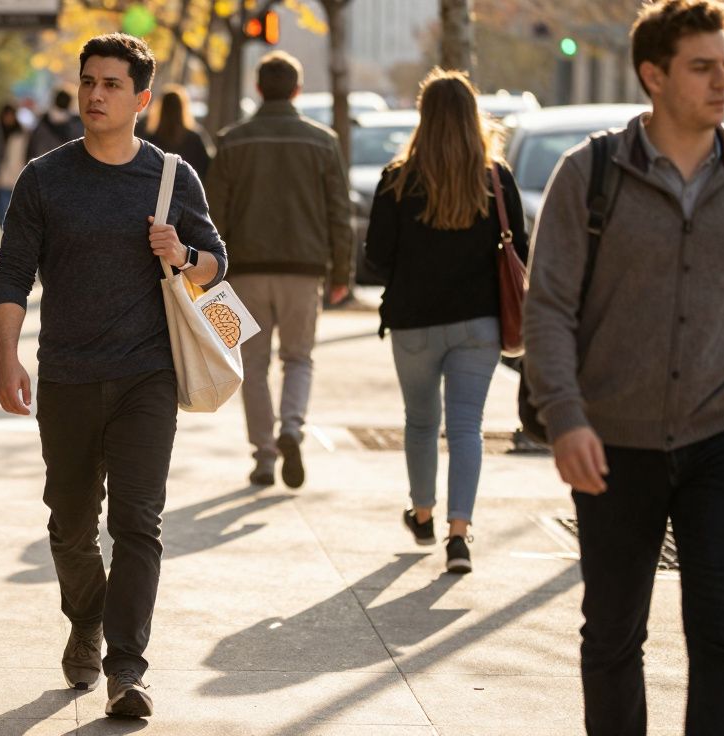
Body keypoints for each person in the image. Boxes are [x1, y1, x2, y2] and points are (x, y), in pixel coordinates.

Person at [0, 33, 227, 718]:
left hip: (146, 376)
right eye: (88, 81)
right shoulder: (44, 178)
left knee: (137, 522)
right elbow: (11, 273)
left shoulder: (171, 177)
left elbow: (216, 262)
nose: (95, 94)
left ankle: (126, 667)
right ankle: (86, 618)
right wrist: (7, 358)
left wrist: (182, 254)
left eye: (112, 84)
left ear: (141, 98)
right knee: (69, 524)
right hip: (66, 374)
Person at [524, 0, 724, 732]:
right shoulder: (591, 174)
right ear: (654, 75)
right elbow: (548, 307)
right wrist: (565, 418)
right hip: (610, 444)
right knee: (613, 635)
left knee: (722, 633)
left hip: (718, 440)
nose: (721, 81)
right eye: (701, 67)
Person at [365, 69, 528, 574]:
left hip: (414, 321)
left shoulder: (398, 179)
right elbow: (519, 250)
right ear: (473, 117)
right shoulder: (496, 179)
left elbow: (376, 258)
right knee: (466, 426)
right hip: (479, 323)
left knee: (420, 421)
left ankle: (423, 514)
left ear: (424, 116)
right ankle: (459, 535)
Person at [204, 51, 353, 489]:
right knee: (298, 358)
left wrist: (209, 276)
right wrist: (341, 273)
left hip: (244, 271)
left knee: (252, 365)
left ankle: (264, 455)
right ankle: (291, 426)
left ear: (258, 89)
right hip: (304, 269)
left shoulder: (232, 141)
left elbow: (212, 214)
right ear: (297, 90)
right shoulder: (323, 142)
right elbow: (339, 213)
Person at [143, 84, 213, 178]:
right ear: (183, 109)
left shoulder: (150, 141)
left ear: (161, 109)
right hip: (188, 186)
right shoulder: (195, 139)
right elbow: (207, 168)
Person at [26, 85, 83, 160]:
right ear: (69, 103)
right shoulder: (76, 124)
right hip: (64, 163)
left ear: (55, 100)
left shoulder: (42, 121)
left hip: (42, 162)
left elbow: (33, 145)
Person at [0, 102, 28, 229]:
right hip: (2, 178)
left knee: (15, 214)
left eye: (11, 115)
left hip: (18, 177)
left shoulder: (22, 133)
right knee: (3, 214)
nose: (8, 118)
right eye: (6, 115)